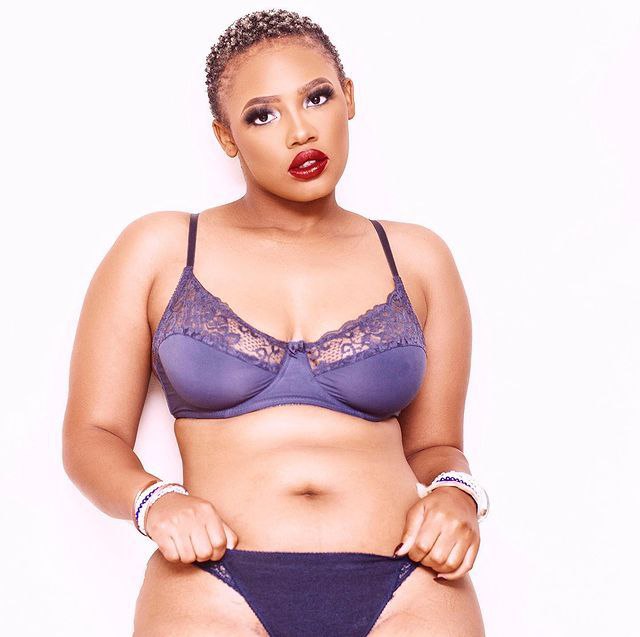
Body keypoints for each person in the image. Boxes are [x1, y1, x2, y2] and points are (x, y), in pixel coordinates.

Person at [62, 9, 489, 637]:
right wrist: (154, 501)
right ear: (226, 137)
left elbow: (435, 447)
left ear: (349, 98)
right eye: (262, 115)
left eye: (316, 97)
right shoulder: (161, 249)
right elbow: (91, 436)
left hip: (410, 585)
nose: (300, 131)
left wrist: (457, 493)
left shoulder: (418, 257)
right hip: (213, 584)